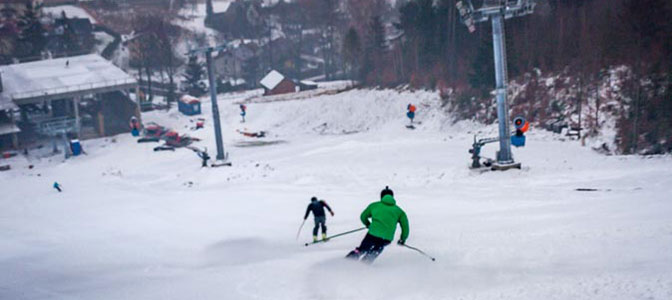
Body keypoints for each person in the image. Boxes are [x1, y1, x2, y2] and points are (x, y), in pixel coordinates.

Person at [346, 186, 409, 263]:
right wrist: (403, 239)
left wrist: (368, 224)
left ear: (381, 196)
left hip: (372, 234)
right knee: (375, 251)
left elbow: (363, 216)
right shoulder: (399, 211)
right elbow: (405, 227)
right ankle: (364, 266)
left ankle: (348, 262)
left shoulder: (374, 205)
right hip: (386, 238)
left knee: (362, 249)